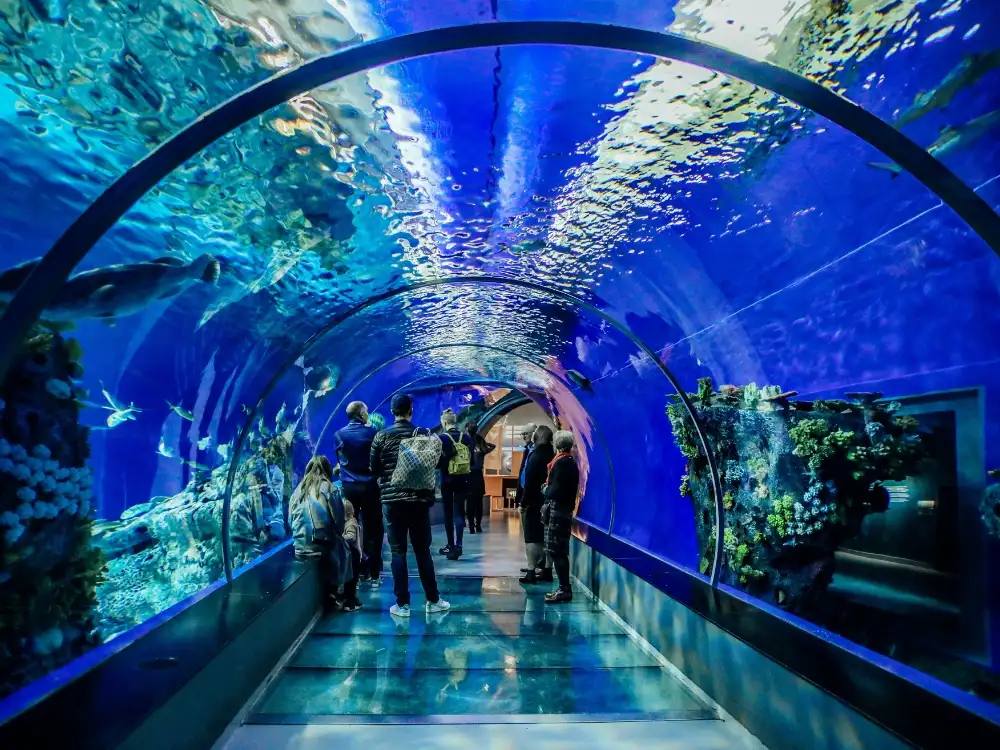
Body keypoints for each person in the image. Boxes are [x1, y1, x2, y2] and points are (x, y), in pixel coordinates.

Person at [370, 393, 451, 618]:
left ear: (392, 411)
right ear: (411, 410)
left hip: (391, 501)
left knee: (398, 552)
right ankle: (433, 600)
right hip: (418, 502)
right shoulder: (424, 434)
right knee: (422, 551)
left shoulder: (381, 437)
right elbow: (441, 461)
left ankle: (402, 605)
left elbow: (374, 468)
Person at [289, 455, 360, 611]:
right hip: (320, 547)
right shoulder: (330, 488)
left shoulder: (297, 491)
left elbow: (289, 522)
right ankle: (349, 598)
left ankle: (333, 593)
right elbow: (339, 525)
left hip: (299, 547)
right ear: (328, 471)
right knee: (353, 553)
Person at [334, 401, 383, 586]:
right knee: (374, 529)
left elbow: (341, 460)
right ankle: (374, 573)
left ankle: (355, 571)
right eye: (367, 411)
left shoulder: (339, 435)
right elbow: (378, 460)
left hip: (349, 487)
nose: (368, 415)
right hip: (370, 487)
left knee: (351, 526)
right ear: (361, 413)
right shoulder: (373, 433)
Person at [542, 430, 580, 604]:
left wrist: (545, 490)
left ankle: (565, 589)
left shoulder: (563, 463)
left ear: (557, 444)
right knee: (556, 551)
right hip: (560, 510)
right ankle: (563, 588)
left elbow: (556, 490)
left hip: (559, 511)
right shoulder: (567, 461)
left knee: (557, 551)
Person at [518, 425, 555, 584]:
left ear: (537, 436)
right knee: (546, 537)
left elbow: (530, 482)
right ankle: (546, 569)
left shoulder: (536, 455)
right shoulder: (552, 454)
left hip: (534, 502)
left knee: (532, 537)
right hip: (548, 502)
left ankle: (531, 571)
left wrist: (523, 502)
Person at [437, 408, 475, 560]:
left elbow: (438, 462)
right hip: (463, 478)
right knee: (459, 511)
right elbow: (472, 461)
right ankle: (459, 544)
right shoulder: (466, 438)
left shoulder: (442, 438)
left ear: (444, 422)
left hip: (447, 479)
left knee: (448, 513)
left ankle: (450, 545)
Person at [465, 420, 495, 533]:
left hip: (468, 474)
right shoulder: (480, 441)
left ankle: (471, 526)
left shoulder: (465, 440)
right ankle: (478, 525)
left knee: (470, 501)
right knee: (478, 502)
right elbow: (492, 446)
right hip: (478, 474)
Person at [514, 423, 536, 509]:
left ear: (534, 433)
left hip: (531, 492)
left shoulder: (536, 450)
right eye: (522, 434)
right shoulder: (527, 449)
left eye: (526, 434)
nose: (523, 437)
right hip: (524, 489)